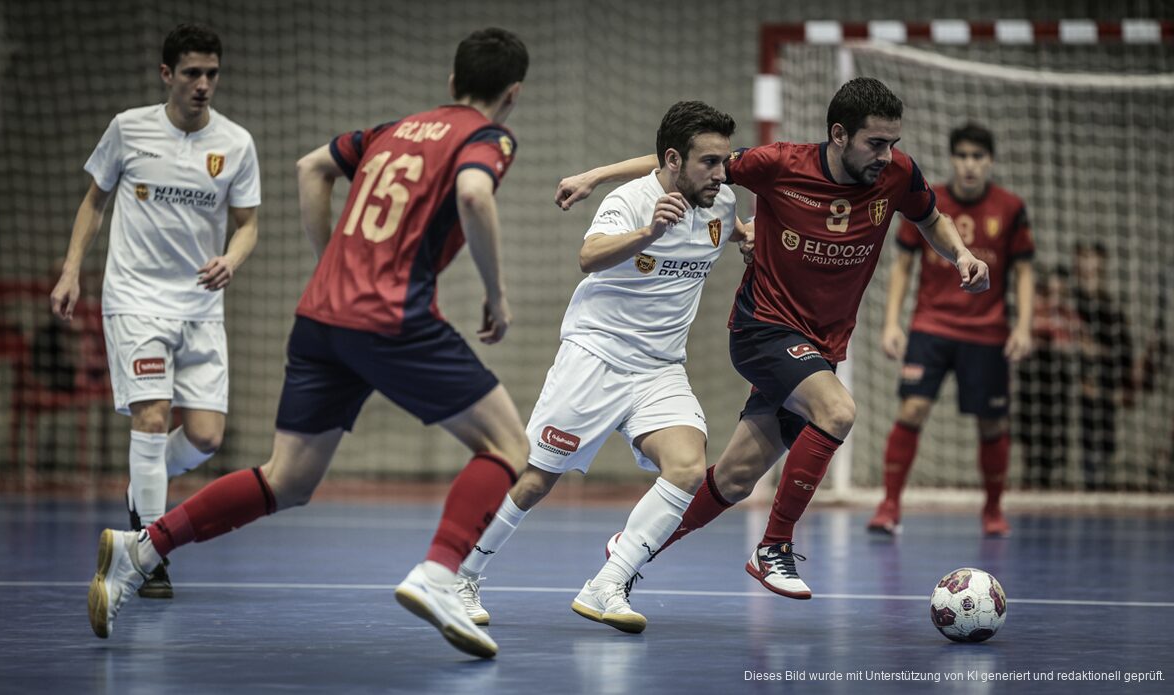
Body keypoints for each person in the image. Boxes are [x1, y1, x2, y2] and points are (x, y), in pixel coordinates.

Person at [86, 28, 530, 660]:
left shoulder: (393, 129)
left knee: (287, 479)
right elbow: (473, 193)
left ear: (452, 82)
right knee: (508, 445)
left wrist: (331, 261)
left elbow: (311, 166)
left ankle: (141, 548)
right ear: (511, 94)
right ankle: (439, 573)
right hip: (391, 317)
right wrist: (497, 295)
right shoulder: (488, 137)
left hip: (323, 317)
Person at [556, 77, 990, 599]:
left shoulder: (896, 175)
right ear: (839, 135)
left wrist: (961, 254)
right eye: (876, 143)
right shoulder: (778, 163)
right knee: (838, 412)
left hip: (821, 345)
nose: (887, 154)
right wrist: (595, 176)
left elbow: (932, 219)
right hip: (763, 328)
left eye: (893, 142)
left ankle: (628, 552)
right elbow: (681, 164)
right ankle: (774, 548)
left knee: (736, 478)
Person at [453, 101, 746, 634]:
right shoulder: (632, 200)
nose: (722, 173)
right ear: (675, 160)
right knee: (539, 478)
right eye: (709, 162)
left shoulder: (722, 203)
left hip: (659, 367)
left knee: (686, 466)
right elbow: (588, 257)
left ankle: (607, 584)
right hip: (596, 356)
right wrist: (647, 235)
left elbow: (731, 225)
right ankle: (463, 576)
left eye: (724, 162)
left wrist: (750, 240)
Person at [52, 23, 260, 599]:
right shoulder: (128, 128)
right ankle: (148, 550)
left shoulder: (236, 144)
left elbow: (248, 225)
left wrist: (232, 261)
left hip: (200, 307)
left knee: (206, 436)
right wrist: (71, 270)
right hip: (136, 301)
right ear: (167, 74)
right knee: (150, 419)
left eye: (211, 74)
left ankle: (142, 491)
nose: (203, 85)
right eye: (191, 73)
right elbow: (95, 200)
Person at [867, 123, 1035, 537]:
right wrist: (891, 323)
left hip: (988, 332)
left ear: (990, 161)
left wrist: (1024, 327)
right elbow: (903, 265)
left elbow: (1025, 271)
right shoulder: (926, 201)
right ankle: (889, 506)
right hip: (932, 326)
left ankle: (993, 511)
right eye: (962, 156)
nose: (970, 165)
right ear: (953, 159)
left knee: (992, 423)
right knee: (912, 409)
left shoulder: (1010, 208)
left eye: (978, 157)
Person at [1072, 242, 1133, 490]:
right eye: (1084, 262)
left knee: (1101, 455)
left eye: (1094, 263)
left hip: (1102, 397)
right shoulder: (1069, 303)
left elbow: (1123, 355)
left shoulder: (1112, 311)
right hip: (1068, 400)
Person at [1018, 265, 1077, 489]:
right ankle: (1030, 476)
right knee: (1031, 431)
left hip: (1057, 379)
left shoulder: (1068, 315)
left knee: (1056, 429)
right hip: (1033, 378)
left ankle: (1055, 479)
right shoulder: (1034, 309)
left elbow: (1073, 343)